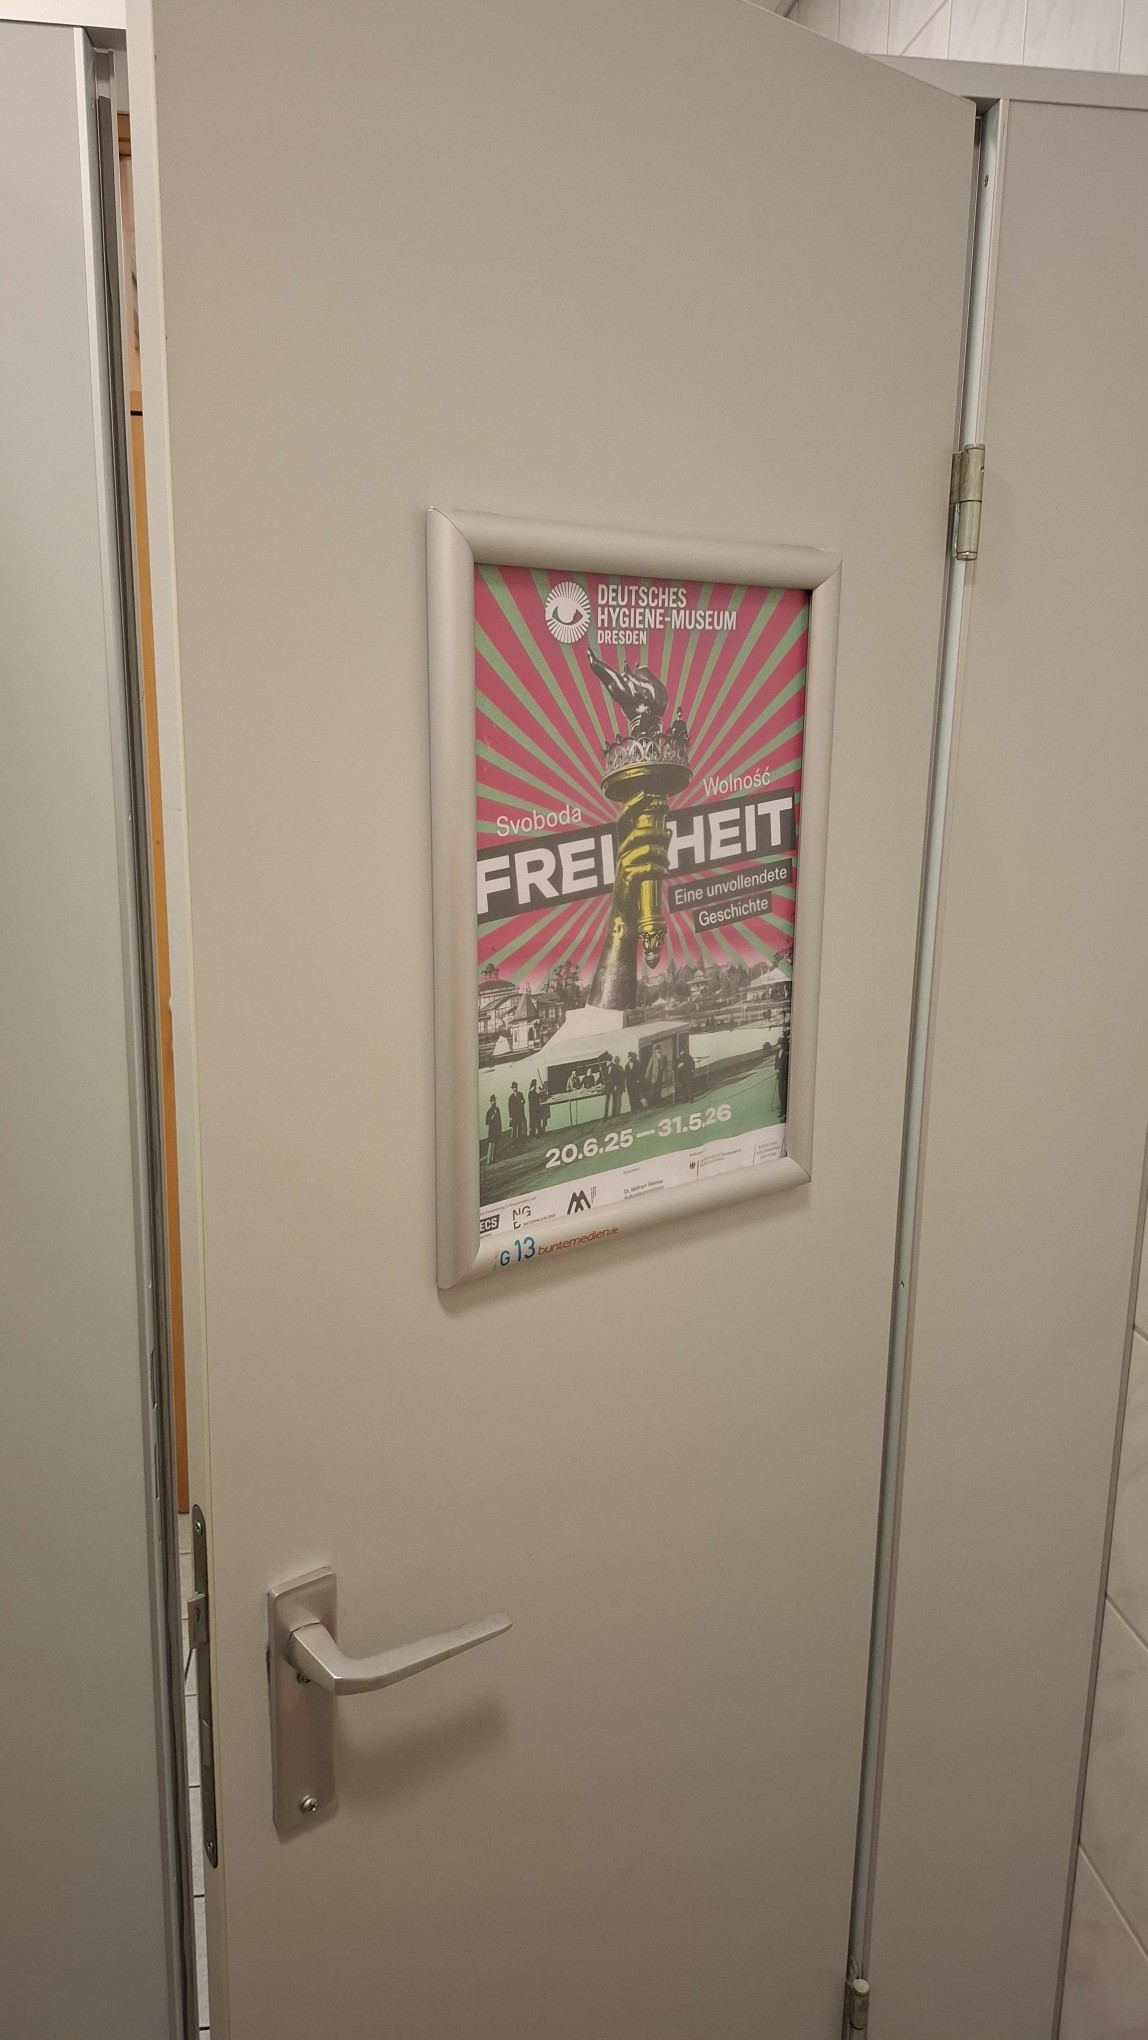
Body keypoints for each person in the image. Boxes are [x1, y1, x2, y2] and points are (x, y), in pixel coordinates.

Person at [774, 1032, 790, 1117]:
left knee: (784, 1093)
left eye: (779, 1044)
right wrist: (776, 1069)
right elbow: (776, 1062)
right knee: (780, 1092)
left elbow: (786, 1064)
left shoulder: (786, 1053)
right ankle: (782, 1110)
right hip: (779, 1075)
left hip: (784, 1076)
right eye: (778, 1044)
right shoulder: (778, 1052)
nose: (778, 1045)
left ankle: (784, 1111)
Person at [507, 1081, 527, 1146]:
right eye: (513, 1087)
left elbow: (524, 1101)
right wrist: (510, 1117)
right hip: (514, 1116)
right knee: (514, 1129)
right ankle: (515, 1143)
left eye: (515, 1087)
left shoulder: (520, 1094)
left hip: (520, 1115)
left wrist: (523, 1101)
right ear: (512, 1089)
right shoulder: (510, 1098)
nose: (515, 1088)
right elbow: (509, 1108)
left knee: (520, 1128)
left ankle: (520, 1141)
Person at [485, 1094, 502, 1165]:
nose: (493, 1102)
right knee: (490, 1145)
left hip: (496, 1129)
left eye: (494, 1100)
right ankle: (488, 1160)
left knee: (495, 1144)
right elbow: (486, 1122)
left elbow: (499, 1120)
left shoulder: (497, 1109)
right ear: (490, 1102)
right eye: (492, 1101)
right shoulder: (489, 1111)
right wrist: (492, 1116)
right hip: (491, 1130)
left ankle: (493, 1159)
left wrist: (500, 1129)